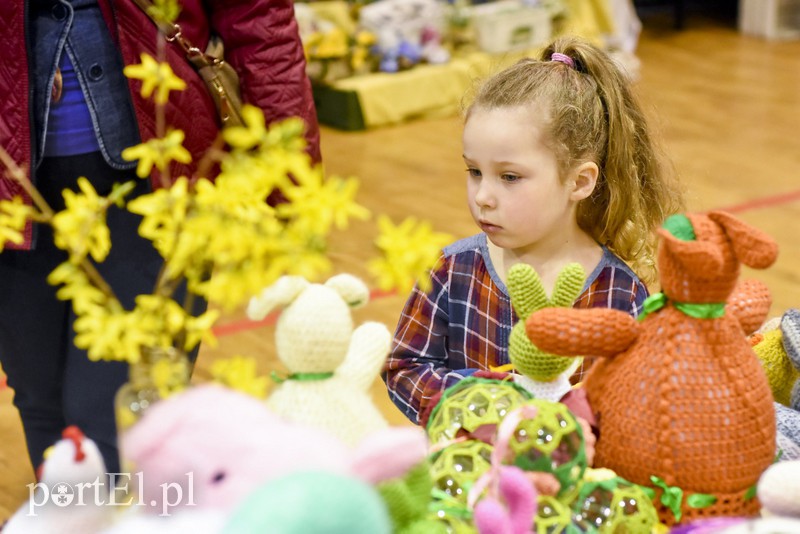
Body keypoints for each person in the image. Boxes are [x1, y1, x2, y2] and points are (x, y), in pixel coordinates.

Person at [0, 0, 321, 476]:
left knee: (120, 404)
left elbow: (260, 22)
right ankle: (65, 517)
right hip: (13, 187)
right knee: (40, 395)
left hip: (161, 172)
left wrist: (290, 180)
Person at [383, 35, 684, 425]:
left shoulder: (620, 294)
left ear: (579, 182)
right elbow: (404, 367)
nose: (483, 197)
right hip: (470, 478)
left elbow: (635, 410)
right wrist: (481, 403)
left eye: (509, 176)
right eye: (474, 172)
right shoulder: (450, 268)